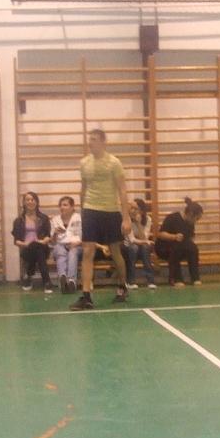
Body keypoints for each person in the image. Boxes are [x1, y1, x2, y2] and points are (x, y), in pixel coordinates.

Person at [71, 129, 130, 310]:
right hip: (91, 210)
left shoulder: (114, 163)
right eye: (89, 139)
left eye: (94, 139)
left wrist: (126, 218)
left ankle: (122, 285)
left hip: (110, 211)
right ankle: (86, 296)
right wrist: (83, 212)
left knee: (115, 252)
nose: (91, 142)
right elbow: (83, 188)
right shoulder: (84, 163)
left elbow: (122, 190)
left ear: (104, 142)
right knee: (88, 251)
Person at [155, 197, 203, 287]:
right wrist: (174, 237)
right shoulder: (172, 218)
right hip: (164, 247)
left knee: (193, 249)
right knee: (176, 248)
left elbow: (190, 237)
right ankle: (176, 278)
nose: (196, 221)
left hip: (181, 247)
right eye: (196, 219)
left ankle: (195, 278)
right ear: (190, 214)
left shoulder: (190, 223)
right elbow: (161, 234)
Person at [11, 191, 52, 294]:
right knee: (36, 249)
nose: (30, 202)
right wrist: (25, 244)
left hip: (42, 246)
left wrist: (43, 241)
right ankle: (46, 281)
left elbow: (48, 236)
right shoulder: (18, 220)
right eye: (27, 200)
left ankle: (28, 277)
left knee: (38, 247)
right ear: (24, 203)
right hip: (26, 249)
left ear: (36, 202)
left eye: (32, 199)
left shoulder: (44, 218)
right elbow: (16, 241)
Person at [49, 195, 82, 293]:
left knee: (73, 252)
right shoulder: (55, 220)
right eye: (60, 205)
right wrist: (55, 233)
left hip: (77, 245)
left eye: (65, 205)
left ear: (72, 207)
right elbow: (52, 242)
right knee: (60, 251)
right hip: (60, 245)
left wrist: (77, 243)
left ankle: (71, 281)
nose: (62, 207)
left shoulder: (79, 218)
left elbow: (86, 236)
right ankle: (62, 277)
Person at [123, 198, 156, 289]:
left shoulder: (147, 219)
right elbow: (131, 240)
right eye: (131, 208)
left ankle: (150, 281)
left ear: (141, 211)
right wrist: (144, 241)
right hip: (127, 246)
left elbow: (144, 237)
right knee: (134, 248)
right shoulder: (126, 219)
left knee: (145, 248)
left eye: (135, 208)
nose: (132, 210)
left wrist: (138, 224)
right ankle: (131, 281)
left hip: (140, 245)